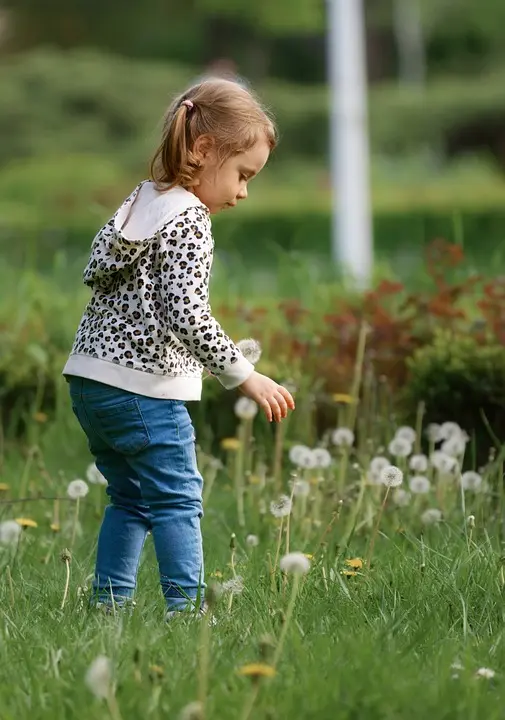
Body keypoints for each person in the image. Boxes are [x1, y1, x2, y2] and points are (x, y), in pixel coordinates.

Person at [63, 77, 295, 616]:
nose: (242, 193)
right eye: (242, 175)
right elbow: (184, 311)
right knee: (176, 501)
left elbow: (95, 270)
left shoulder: (143, 200)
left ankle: (109, 607)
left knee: (131, 498)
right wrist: (243, 372)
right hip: (145, 389)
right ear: (204, 150)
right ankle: (187, 611)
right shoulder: (189, 217)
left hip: (90, 382)